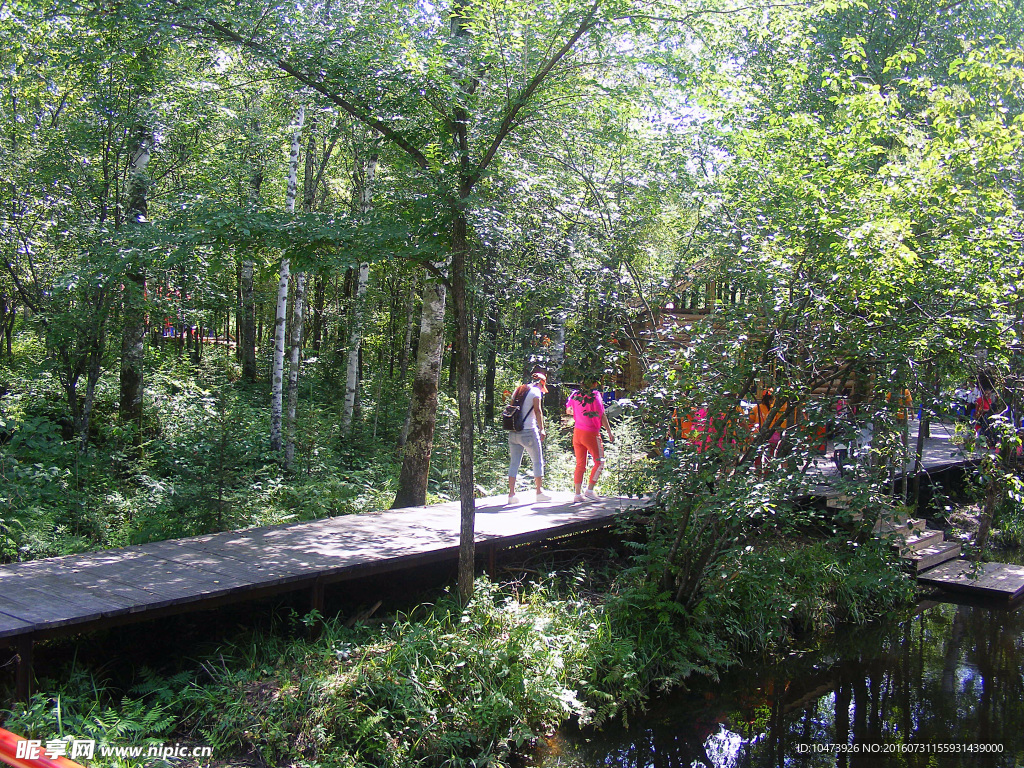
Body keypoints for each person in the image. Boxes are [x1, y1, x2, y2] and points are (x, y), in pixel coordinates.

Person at [507, 371, 552, 505]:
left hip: (514, 431)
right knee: (537, 460)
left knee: (514, 462)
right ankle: (539, 492)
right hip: (528, 431)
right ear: (541, 383)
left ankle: (511, 495)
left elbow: (510, 408)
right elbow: (538, 411)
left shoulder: (518, 390)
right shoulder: (536, 392)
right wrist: (542, 429)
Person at [566, 377, 615, 502]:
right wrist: (609, 432)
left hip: (577, 432)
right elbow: (601, 414)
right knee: (600, 461)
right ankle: (590, 490)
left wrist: (579, 413)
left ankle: (577, 494)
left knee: (580, 464)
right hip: (591, 433)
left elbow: (568, 410)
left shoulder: (575, 394)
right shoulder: (595, 395)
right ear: (594, 384)